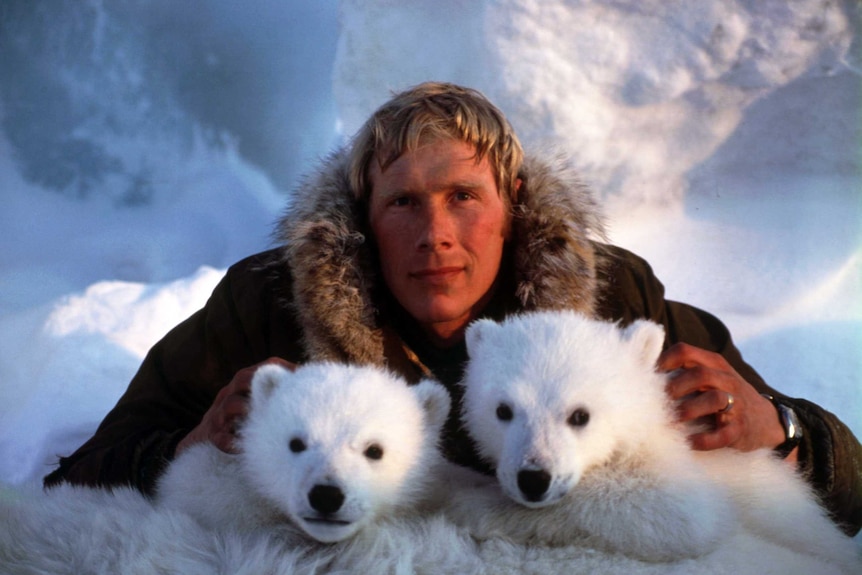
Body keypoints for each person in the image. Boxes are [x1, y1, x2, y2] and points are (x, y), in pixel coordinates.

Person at [45, 82, 862, 536]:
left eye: (462, 196)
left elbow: (849, 497)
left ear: (510, 202)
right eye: (403, 202)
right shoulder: (266, 305)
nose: (435, 235)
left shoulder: (613, 302)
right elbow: (77, 476)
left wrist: (783, 433)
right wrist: (188, 446)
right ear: (364, 215)